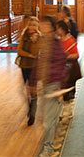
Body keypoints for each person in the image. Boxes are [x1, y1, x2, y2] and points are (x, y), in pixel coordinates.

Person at [35, 15, 67, 157]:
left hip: (53, 85)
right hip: (44, 84)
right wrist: (33, 82)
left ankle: (48, 148)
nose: (41, 27)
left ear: (51, 27)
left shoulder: (55, 43)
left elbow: (61, 63)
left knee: (48, 121)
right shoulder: (43, 41)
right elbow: (39, 63)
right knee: (45, 119)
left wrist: (60, 86)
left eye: (45, 25)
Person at [17, 16, 40, 126]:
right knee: (27, 89)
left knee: (33, 89)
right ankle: (30, 107)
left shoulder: (40, 37)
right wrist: (29, 55)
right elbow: (19, 51)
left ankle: (33, 114)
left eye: (35, 25)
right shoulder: (24, 35)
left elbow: (37, 53)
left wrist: (34, 42)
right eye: (31, 25)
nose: (32, 27)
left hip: (34, 67)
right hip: (24, 66)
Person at [56, 20, 80, 119]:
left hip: (70, 68)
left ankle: (68, 111)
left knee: (68, 89)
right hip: (62, 68)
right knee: (64, 89)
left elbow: (77, 55)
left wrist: (67, 56)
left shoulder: (70, 40)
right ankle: (66, 109)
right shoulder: (59, 40)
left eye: (58, 28)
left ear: (62, 29)